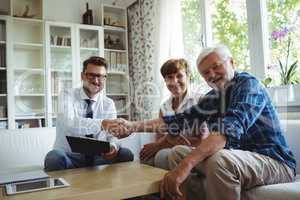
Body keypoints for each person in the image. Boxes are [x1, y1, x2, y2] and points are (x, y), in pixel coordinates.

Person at [111, 45, 296, 200]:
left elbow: (227, 130)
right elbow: (178, 121)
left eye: (216, 67)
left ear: (232, 62)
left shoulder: (249, 86)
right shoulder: (213, 97)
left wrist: (186, 166)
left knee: (220, 159)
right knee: (177, 153)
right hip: (239, 159)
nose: (212, 75)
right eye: (206, 73)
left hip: (274, 162)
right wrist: (132, 126)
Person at [44, 56, 133, 171]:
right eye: (91, 75)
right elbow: (70, 123)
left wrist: (113, 146)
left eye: (100, 76)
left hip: (99, 157)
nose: (96, 80)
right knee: (54, 157)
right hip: (70, 156)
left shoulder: (108, 103)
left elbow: (112, 135)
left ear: (105, 79)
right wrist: (102, 123)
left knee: (126, 154)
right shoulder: (67, 95)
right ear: (83, 76)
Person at [140, 58, 208, 170]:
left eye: (179, 76)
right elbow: (159, 138)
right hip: (171, 149)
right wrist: (166, 141)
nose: (174, 81)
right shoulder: (164, 107)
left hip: (196, 149)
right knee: (146, 159)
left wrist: (165, 142)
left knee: (162, 156)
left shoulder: (200, 100)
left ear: (188, 76)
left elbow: (202, 138)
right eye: (169, 77)